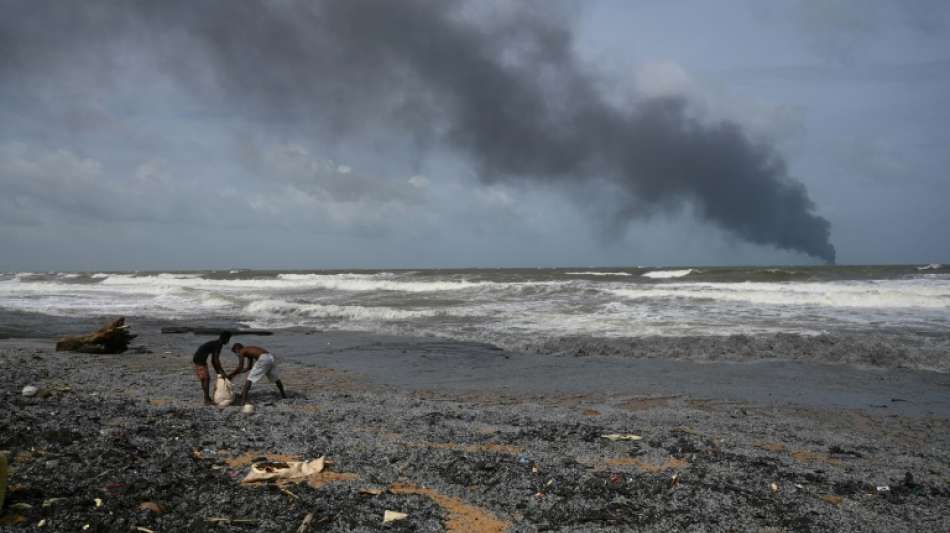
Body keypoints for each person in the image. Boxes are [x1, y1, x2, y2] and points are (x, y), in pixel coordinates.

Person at [193, 331, 231, 405]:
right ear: (226, 339)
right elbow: (215, 360)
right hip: (200, 360)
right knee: (206, 379)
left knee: (204, 379)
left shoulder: (216, 343)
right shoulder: (218, 345)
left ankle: (207, 398)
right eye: (228, 339)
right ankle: (206, 399)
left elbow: (213, 361)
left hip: (199, 359)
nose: (228, 341)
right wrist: (221, 371)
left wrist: (218, 372)